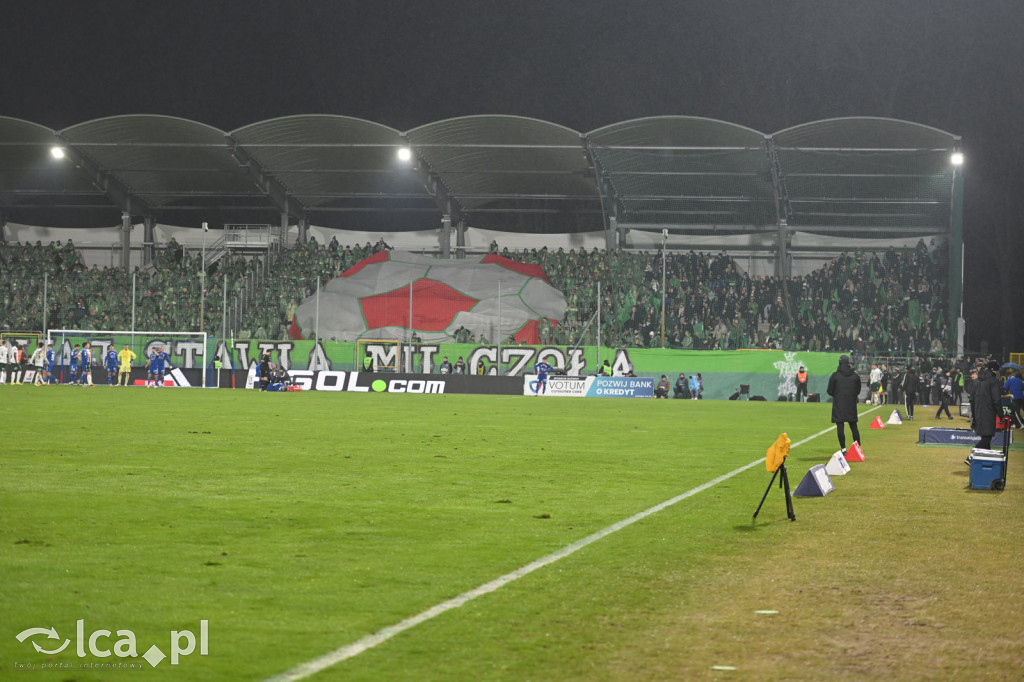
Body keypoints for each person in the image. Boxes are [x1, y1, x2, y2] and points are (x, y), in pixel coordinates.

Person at [826, 354, 862, 454]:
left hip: (839, 404)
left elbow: (829, 391)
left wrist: (838, 395)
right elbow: (858, 391)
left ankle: (843, 449)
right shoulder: (855, 375)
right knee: (853, 426)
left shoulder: (835, 375)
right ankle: (857, 449)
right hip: (851, 404)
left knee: (840, 427)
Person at [971, 360, 1003, 450]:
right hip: (988, 413)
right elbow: (996, 400)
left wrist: (974, 414)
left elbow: (972, 399)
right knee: (987, 438)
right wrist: (1001, 415)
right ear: (995, 370)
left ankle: (985, 458)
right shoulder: (993, 381)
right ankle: (971, 457)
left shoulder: (977, 381)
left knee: (985, 438)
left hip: (978, 411)